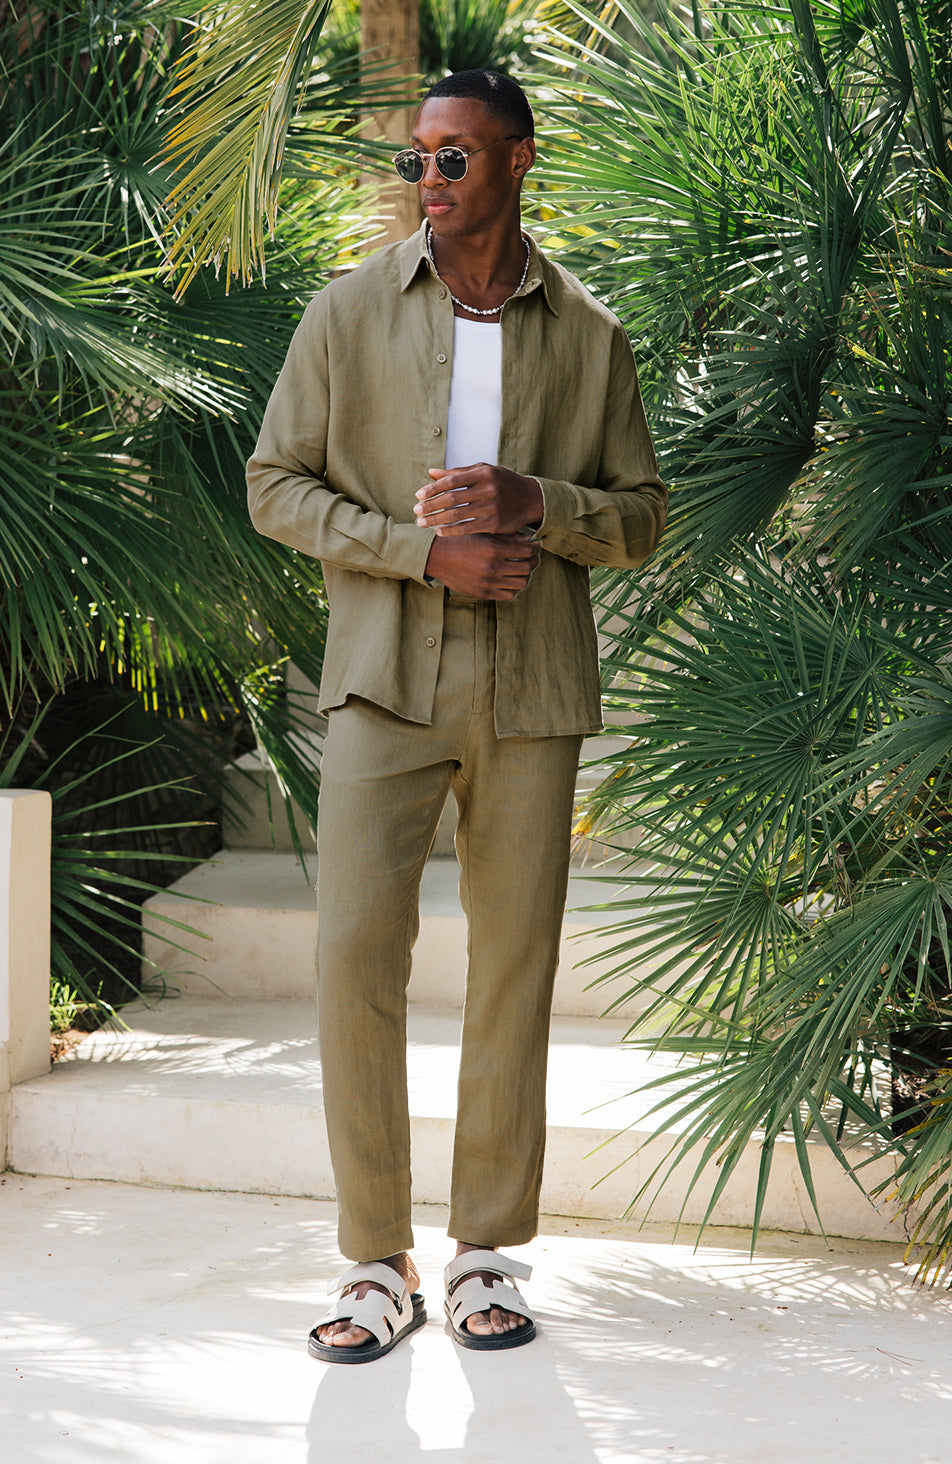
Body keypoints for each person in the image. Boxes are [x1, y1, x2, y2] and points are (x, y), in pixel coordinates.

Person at [246, 68, 666, 1362]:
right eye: (416, 159)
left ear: (518, 160)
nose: (428, 180)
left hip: (533, 689)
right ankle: (376, 1263)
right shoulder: (348, 313)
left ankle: (488, 1250)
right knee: (354, 958)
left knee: (515, 966)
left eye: (455, 158)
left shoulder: (590, 335)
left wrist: (541, 505)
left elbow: (642, 518)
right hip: (384, 676)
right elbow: (274, 485)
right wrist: (418, 552)